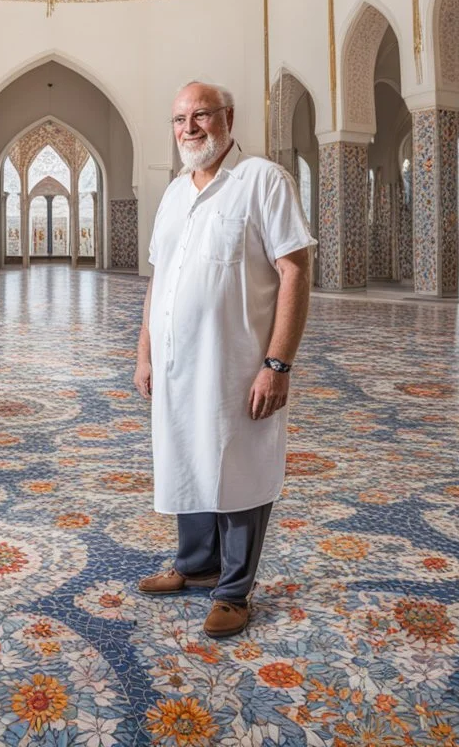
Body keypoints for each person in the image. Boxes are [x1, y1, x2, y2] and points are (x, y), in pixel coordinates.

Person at [133, 81, 315, 638]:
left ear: (227, 118)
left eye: (201, 115)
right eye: (180, 118)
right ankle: (195, 566)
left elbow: (295, 271)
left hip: (238, 366)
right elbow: (158, 281)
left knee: (238, 468)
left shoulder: (262, 181)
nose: (189, 127)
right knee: (187, 456)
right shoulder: (173, 194)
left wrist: (277, 363)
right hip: (175, 367)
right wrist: (143, 354)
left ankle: (234, 590)